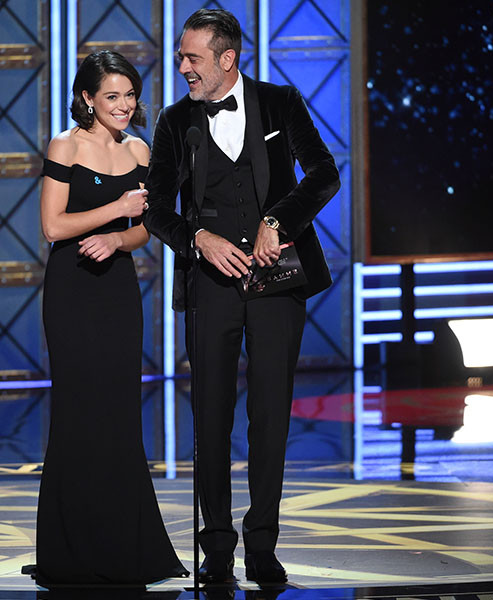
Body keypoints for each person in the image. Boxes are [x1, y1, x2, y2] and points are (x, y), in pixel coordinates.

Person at [143, 8, 340, 585]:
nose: (182, 67)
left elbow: (324, 173)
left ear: (227, 59)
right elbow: (155, 206)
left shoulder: (280, 102)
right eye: (182, 57)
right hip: (210, 287)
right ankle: (218, 550)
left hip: (276, 283)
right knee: (210, 416)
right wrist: (197, 237)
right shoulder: (176, 121)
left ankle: (262, 545)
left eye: (192, 58)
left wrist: (278, 221)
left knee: (270, 414)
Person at [33, 49, 188, 587]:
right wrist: (115, 211)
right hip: (72, 291)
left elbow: (145, 230)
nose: (124, 105)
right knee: (79, 412)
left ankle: (125, 543)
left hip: (119, 289)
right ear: (87, 99)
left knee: (121, 415)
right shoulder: (66, 145)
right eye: (112, 96)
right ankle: (69, 548)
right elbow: (52, 226)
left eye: (129, 95)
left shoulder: (140, 150)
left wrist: (119, 236)